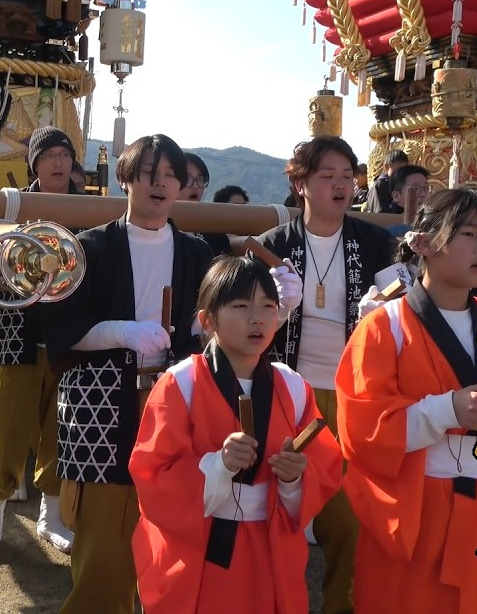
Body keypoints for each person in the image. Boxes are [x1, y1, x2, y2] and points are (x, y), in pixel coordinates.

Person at [338, 187, 477, 614]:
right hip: (416, 507)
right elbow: (361, 427)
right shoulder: (385, 327)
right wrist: (446, 410)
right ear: (424, 242)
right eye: (469, 234)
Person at [44, 135, 216, 614]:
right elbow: (59, 330)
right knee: (102, 535)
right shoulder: (88, 248)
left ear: (183, 186)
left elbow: (211, 324)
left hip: (172, 400)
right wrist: (120, 331)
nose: (158, 183)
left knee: (171, 525)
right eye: (147, 173)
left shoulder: (197, 254)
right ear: (125, 179)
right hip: (101, 400)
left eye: (170, 175)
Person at [130, 256, 343, 614]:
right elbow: (153, 476)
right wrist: (218, 466)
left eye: (268, 306)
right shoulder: (179, 384)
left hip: (270, 544)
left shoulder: (292, 387)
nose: (257, 317)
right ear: (207, 320)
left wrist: (295, 476)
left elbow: (325, 466)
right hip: (204, 547)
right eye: (242, 306)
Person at [257, 135, 397, 614]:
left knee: (351, 518)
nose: (341, 186)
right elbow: (244, 323)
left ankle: (342, 606)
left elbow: (401, 297)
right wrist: (276, 309)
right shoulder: (274, 246)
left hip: (354, 392)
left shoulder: (374, 241)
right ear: (301, 185)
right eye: (327, 177)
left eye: (347, 177)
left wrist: (382, 308)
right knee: (274, 510)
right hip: (288, 394)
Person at [0, 126, 82, 564]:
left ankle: (51, 515)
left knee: (61, 429)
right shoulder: (12, 206)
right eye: (48, 155)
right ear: (34, 163)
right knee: (6, 428)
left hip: (69, 339)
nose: (57, 162)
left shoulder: (92, 208)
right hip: (17, 333)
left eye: (64, 154)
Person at [386, 164, 432, 234]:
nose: (423, 194)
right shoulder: (392, 230)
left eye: (426, 188)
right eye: (416, 188)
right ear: (396, 196)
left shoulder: (439, 224)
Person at [363, 148, 410, 214]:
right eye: (399, 168)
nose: (402, 172)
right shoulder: (379, 186)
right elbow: (380, 214)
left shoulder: (404, 185)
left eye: (404, 168)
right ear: (387, 167)